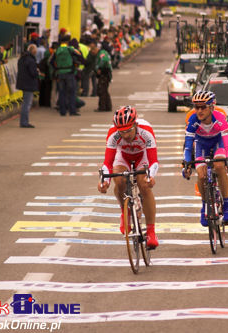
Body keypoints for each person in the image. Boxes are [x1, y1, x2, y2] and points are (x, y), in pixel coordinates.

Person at [97, 106, 159, 249]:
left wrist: (151, 177)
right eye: (122, 132)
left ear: (135, 125)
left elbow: (153, 161)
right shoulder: (113, 134)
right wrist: (104, 181)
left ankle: (151, 231)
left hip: (142, 156)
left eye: (128, 131)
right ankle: (124, 211)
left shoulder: (146, 131)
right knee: (119, 180)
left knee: (144, 185)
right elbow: (107, 162)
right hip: (123, 157)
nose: (125, 135)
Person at [182, 91, 228, 226]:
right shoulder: (193, 120)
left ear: (211, 107)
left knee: (219, 166)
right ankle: (204, 206)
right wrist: (186, 165)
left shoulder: (220, 118)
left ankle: (227, 205)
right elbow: (188, 146)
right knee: (201, 175)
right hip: (201, 145)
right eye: (196, 107)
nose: (199, 110)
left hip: (218, 143)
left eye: (203, 107)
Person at [51, 35, 81, 116]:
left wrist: (57, 69)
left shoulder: (56, 50)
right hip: (69, 73)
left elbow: (51, 61)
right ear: (67, 42)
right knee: (71, 92)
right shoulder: (69, 49)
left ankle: (62, 111)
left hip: (60, 73)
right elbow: (79, 54)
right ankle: (72, 111)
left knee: (62, 93)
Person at [16, 44, 39, 128]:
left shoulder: (22, 58)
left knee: (25, 103)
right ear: (33, 51)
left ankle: (23, 121)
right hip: (29, 83)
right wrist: (37, 72)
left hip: (22, 83)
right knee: (27, 103)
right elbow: (33, 73)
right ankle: (24, 122)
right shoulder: (31, 60)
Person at [90, 42, 112, 112]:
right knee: (104, 90)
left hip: (104, 74)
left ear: (95, 49)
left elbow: (104, 60)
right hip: (104, 74)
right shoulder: (100, 53)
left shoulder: (102, 53)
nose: (93, 54)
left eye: (93, 52)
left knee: (101, 90)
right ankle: (108, 106)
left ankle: (102, 107)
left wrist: (99, 68)